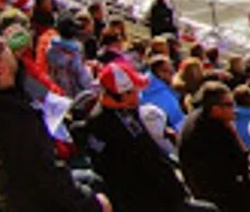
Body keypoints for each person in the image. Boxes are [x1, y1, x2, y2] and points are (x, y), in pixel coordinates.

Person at [0, 26, 111, 212]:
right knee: (97, 188)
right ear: (1, 68)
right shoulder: (14, 124)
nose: (9, 46)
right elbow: (50, 180)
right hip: (39, 199)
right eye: (4, 46)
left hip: (31, 188)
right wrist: (94, 205)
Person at [82, 61, 193, 212]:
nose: (139, 95)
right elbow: (143, 161)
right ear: (120, 95)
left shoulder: (124, 112)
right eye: (134, 91)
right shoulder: (105, 125)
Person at [179, 81, 250, 212]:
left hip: (202, 187)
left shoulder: (196, 117)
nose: (234, 109)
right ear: (215, 109)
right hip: (219, 195)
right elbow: (243, 163)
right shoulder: (215, 132)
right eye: (229, 105)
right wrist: (234, 132)